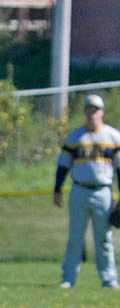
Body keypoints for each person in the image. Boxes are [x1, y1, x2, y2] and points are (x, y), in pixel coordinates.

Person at [53, 93, 120, 289]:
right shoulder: (75, 136)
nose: (92, 114)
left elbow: (119, 169)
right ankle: (68, 278)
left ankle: (109, 279)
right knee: (75, 237)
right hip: (79, 191)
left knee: (104, 239)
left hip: (103, 192)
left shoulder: (113, 136)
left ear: (102, 112)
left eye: (95, 110)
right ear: (84, 112)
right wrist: (57, 190)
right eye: (89, 110)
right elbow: (63, 165)